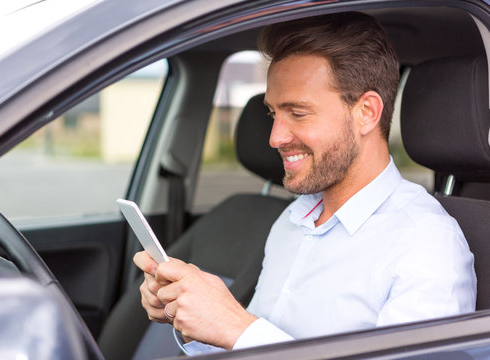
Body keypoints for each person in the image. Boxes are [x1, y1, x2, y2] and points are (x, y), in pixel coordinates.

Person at [134, 11, 476, 353]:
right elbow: (247, 347)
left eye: (297, 113)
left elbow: (245, 337)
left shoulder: (426, 245)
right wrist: (189, 315)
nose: (275, 137)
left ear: (367, 113)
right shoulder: (293, 220)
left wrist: (238, 327)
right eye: (273, 113)